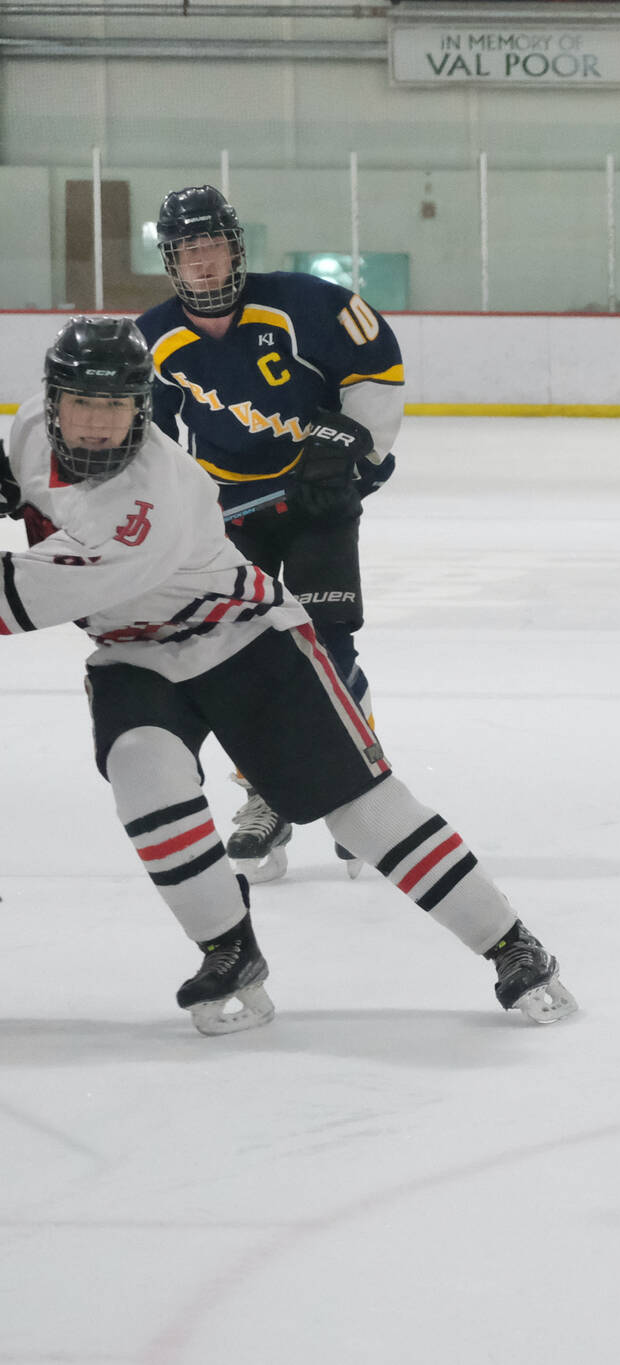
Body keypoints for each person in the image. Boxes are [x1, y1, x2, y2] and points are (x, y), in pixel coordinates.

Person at [0, 317, 576, 1035]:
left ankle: (511, 943)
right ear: (51, 399)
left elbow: (15, 600)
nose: (92, 424)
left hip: (245, 643)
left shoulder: (149, 503)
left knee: (359, 807)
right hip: (131, 653)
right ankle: (229, 948)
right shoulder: (29, 428)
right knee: (141, 773)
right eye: (78, 404)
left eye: (112, 407)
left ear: (141, 411)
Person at [136, 185, 402, 883]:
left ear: (235, 247)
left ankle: (361, 795)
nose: (201, 261)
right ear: (170, 259)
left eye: (212, 245)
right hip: (223, 516)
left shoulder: (304, 304)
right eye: (187, 249)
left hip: (312, 503)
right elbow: (144, 441)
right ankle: (266, 796)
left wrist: (354, 449)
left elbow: (374, 369)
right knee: (243, 660)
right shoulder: (151, 337)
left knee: (327, 642)